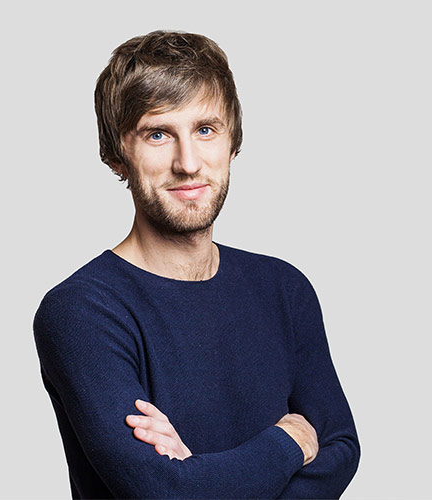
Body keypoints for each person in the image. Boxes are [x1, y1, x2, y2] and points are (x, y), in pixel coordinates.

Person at [33, 30, 360, 499]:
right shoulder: (81, 312)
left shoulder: (284, 289)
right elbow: (165, 492)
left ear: (232, 143)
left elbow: (341, 448)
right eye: (158, 134)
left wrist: (203, 478)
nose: (187, 163)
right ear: (118, 155)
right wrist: (289, 441)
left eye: (206, 130)